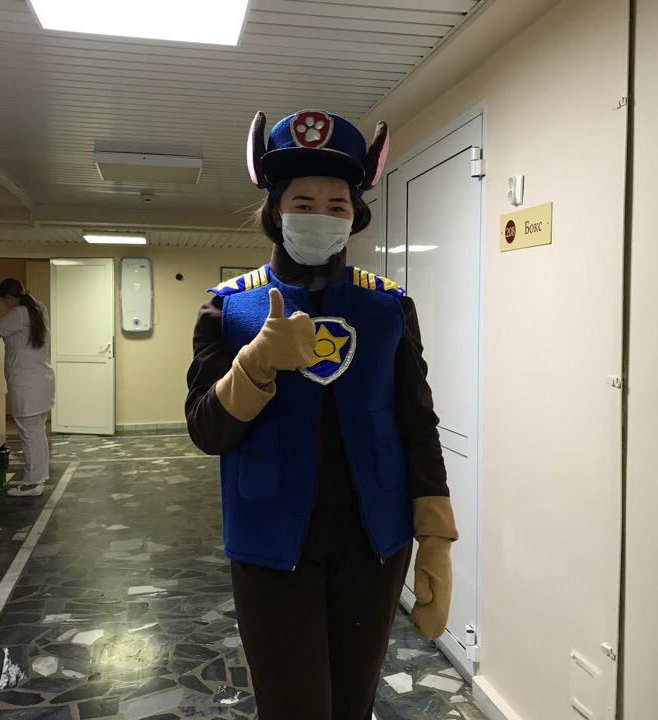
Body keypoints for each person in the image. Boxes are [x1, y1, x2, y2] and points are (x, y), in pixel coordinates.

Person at [185, 110, 458, 719]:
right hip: (270, 540)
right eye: (303, 202)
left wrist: (436, 535)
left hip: (374, 543)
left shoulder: (388, 308)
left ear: (354, 214)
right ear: (275, 210)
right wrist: (255, 363)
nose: (321, 215)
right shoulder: (228, 311)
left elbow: (417, 424)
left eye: (337, 204)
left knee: (352, 705)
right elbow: (205, 430)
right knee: (294, 708)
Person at [0, 278, 55, 498]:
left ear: (8, 298)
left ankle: (33, 484)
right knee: (37, 433)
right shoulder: (37, 308)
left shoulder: (19, 313)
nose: (3, 305)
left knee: (29, 435)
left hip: (27, 384)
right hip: (40, 380)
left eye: (3, 301)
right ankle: (39, 478)